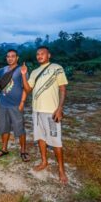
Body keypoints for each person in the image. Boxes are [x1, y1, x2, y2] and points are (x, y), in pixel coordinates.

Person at [20, 46, 68, 184]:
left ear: (49, 55)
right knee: (40, 138)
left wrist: (60, 108)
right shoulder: (34, 72)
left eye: (42, 53)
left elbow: (63, 89)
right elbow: (28, 89)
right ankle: (44, 162)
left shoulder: (57, 68)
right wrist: (24, 74)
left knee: (56, 141)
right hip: (37, 111)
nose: (39, 55)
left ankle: (61, 169)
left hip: (51, 112)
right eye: (37, 54)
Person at [0, 49, 30, 162]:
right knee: (4, 128)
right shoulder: (4, 69)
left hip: (16, 105)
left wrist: (22, 103)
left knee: (20, 129)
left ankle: (23, 151)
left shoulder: (21, 70)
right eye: (8, 56)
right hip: (3, 104)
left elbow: (26, 88)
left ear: (17, 58)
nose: (10, 58)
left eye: (13, 56)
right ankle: (4, 149)